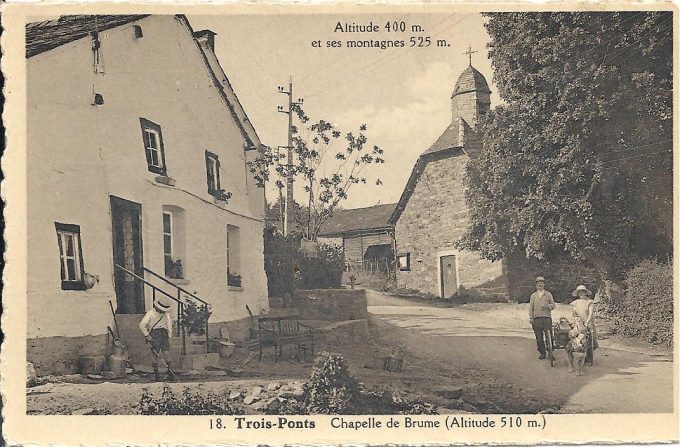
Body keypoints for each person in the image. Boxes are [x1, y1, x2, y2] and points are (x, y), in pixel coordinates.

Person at [139, 297, 174, 381]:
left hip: (161, 334)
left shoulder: (164, 314)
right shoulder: (151, 313)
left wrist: (169, 336)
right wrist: (147, 335)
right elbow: (142, 325)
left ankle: (170, 374)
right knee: (157, 355)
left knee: (165, 354)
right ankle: (158, 375)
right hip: (157, 335)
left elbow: (169, 325)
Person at [529, 276, 556, 360]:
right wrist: (531, 318)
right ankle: (542, 353)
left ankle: (550, 352)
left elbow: (553, 305)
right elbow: (531, 308)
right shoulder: (533, 295)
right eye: (538, 283)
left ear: (544, 284)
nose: (540, 284)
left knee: (549, 336)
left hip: (546, 318)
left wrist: (547, 306)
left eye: (542, 283)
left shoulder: (548, 294)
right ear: (536, 285)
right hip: (537, 318)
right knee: (539, 337)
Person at [571, 284, 598, 351]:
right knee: (576, 336)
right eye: (579, 292)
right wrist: (576, 321)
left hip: (587, 322)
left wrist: (586, 323)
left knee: (589, 338)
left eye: (583, 292)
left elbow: (590, 313)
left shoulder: (589, 302)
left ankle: (588, 352)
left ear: (585, 293)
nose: (581, 293)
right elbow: (574, 314)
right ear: (577, 293)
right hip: (578, 323)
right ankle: (577, 350)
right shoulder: (575, 303)